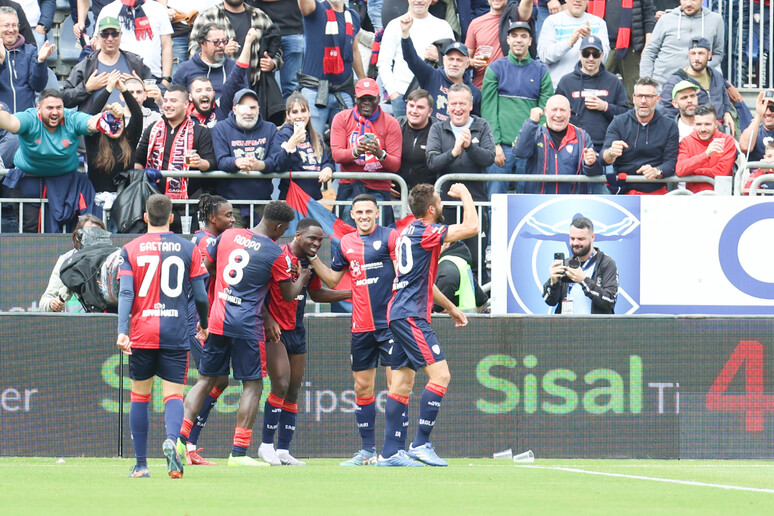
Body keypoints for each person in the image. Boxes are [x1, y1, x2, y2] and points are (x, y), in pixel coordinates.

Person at [177, 200, 306, 467]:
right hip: (247, 325)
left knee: (205, 380)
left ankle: (180, 440)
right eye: (284, 230)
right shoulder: (275, 253)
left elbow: (207, 267)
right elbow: (288, 295)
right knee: (253, 385)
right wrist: (302, 277)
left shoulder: (227, 236)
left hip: (218, 318)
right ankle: (238, 453)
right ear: (279, 227)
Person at [378, 182, 477, 467]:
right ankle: (420, 443)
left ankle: (390, 453)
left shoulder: (408, 232)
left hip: (399, 312)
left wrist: (451, 308)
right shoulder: (426, 231)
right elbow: (472, 227)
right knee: (441, 376)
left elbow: (423, 281)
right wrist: (466, 193)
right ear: (431, 209)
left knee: (402, 383)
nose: (443, 205)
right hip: (411, 315)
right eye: (440, 202)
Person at [116, 193, 210, 478]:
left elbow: (126, 293)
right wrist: (204, 323)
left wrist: (122, 331)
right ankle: (171, 440)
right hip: (175, 331)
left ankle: (141, 465)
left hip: (142, 332)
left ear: (145, 217)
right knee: (173, 396)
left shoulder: (129, 249)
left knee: (139, 396)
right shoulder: (189, 248)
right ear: (171, 217)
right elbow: (201, 295)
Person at [308, 194, 400, 466]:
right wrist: (313, 258)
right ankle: (367, 451)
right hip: (361, 327)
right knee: (362, 388)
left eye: (369, 211)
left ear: (377, 213)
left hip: (390, 325)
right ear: (352, 215)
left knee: (396, 388)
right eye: (359, 212)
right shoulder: (345, 243)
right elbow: (333, 279)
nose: (364, 216)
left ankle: (394, 451)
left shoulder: (390, 237)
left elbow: (402, 274)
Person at [258, 218, 351, 466]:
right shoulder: (277, 255)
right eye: (312, 238)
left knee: (293, 389)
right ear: (298, 235)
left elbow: (316, 294)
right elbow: (257, 291)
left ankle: (283, 450)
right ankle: (266, 445)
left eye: (320, 240)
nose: (317, 243)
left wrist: (352, 293)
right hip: (275, 329)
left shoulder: (310, 263)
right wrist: (267, 319)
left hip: (297, 329)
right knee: (280, 384)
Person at [175, 193, 234, 466]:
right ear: (212, 217)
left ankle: (189, 443)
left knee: (219, 380)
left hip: (207, 318)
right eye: (227, 215)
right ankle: (181, 442)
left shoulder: (203, 239)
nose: (232, 220)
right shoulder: (208, 242)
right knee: (207, 379)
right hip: (199, 320)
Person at [0, 89, 104, 233]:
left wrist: (107, 118)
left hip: (66, 181)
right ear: (39, 108)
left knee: (66, 228)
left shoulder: (72, 118)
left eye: (58, 107)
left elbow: (90, 123)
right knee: (30, 228)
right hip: (28, 178)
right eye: (49, 108)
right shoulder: (30, 118)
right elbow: (11, 122)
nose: (55, 112)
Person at [426, 83, 494, 276]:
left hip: (476, 205)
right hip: (446, 207)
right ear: (447, 106)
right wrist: (454, 152)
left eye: (462, 104)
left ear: (471, 105)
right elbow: (432, 162)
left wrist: (470, 147)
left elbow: (489, 158)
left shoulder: (482, 126)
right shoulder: (437, 128)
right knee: (444, 259)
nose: (458, 108)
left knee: (476, 259)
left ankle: (478, 296)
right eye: (453, 104)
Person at [482, 20, 552, 197]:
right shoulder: (495, 69)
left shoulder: (541, 71)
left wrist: (537, 144)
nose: (518, 40)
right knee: (495, 202)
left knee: (527, 201)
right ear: (508, 40)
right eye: (514, 36)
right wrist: (494, 144)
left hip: (530, 147)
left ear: (530, 40)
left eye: (523, 36)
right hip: (501, 147)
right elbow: (489, 110)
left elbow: (545, 112)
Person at [134, 84, 217, 221]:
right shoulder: (153, 129)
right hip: (154, 203)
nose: (167, 105)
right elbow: (138, 160)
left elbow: (212, 162)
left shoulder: (200, 131)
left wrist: (200, 162)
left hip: (187, 206)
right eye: (166, 100)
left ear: (186, 104)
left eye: (173, 101)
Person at [211, 88, 289, 227]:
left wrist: (260, 165)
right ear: (234, 110)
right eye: (244, 108)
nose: (249, 112)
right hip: (230, 206)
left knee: (263, 241)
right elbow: (221, 160)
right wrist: (237, 162)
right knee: (234, 241)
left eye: (253, 108)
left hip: (262, 204)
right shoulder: (221, 128)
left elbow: (275, 161)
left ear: (258, 109)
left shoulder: (270, 128)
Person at [330, 77, 403, 226]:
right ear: (355, 99)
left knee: (379, 236)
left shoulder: (391, 122)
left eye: (371, 99)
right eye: (362, 99)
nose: (367, 103)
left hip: (378, 188)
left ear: (379, 99)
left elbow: (395, 164)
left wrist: (379, 154)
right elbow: (337, 154)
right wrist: (356, 152)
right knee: (346, 235)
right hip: (349, 187)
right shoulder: (342, 118)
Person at [296, 0, 365, 136]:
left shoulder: (353, 16)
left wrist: (363, 80)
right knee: (313, 143)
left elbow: (354, 50)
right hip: (314, 91)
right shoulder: (316, 10)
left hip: (343, 91)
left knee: (346, 143)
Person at [601, 77, 679, 195]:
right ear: (633, 98)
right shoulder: (618, 122)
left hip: (655, 190)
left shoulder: (669, 125)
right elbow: (603, 159)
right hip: (623, 191)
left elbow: (671, 162)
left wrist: (657, 171)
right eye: (639, 96)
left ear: (658, 99)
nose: (643, 101)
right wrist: (611, 153)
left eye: (648, 97)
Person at [189, 0, 283, 97]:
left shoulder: (260, 16)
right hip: (218, 90)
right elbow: (194, 53)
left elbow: (277, 49)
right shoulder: (208, 17)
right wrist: (220, 51)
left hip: (255, 89)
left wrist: (272, 63)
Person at [377, 0, 454, 118]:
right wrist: (393, 93)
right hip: (402, 95)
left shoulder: (443, 26)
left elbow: (453, 62)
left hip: (433, 95)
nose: (419, 1)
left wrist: (438, 56)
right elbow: (383, 62)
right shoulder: (394, 25)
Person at [554, 35, 629, 154]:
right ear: (580, 54)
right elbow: (556, 113)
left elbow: (625, 114)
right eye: (586, 53)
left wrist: (605, 107)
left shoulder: (613, 81)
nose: (590, 58)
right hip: (572, 144)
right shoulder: (566, 82)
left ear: (602, 55)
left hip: (604, 146)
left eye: (595, 54)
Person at [513, 95, 602, 194]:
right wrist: (531, 122)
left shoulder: (582, 136)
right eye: (554, 110)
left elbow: (595, 173)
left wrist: (591, 164)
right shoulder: (535, 133)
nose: (558, 115)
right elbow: (520, 153)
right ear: (546, 112)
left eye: (563, 110)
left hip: (573, 201)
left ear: (569, 113)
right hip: (539, 200)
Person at [62, 16, 151, 113]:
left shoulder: (135, 63)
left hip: (131, 120)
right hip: (95, 120)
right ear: (98, 37)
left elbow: (153, 101)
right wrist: (86, 88)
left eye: (114, 34)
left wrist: (142, 87)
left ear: (120, 35)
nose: (110, 38)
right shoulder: (86, 66)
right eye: (105, 34)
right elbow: (65, 100)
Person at [400, 15, 481, 121]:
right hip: (430, 130)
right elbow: (411, 59)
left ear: (467, 64)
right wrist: (405, 33)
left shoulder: (474, 92)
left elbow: (475, 122)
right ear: (443, 60)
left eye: (459, 60)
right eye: (450, 59)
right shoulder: (431, 75)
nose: (454, 64)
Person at [83, 75, 143, 201]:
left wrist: (124, 90)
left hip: (124, 202)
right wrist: (108, 89)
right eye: (110, 121)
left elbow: (137, 115)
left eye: (119, 121)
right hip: (97, 201)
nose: (115, 125)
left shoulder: (129, 138)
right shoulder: (94, 139)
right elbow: (90, 117)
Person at [658, 37, 735, 135]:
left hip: (719, 129)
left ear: (709, 55)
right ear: (688, 55)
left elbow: (724, 94)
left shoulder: (716, 75)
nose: (696, 58)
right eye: (693, 53)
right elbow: (667, 113)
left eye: (701, 53)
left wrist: (727, 113)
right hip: (694, 132)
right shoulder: (675, 81)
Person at [639, 0, 724, 87]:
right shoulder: (665, 19)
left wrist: (701, 65)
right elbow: (649, 53)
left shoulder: (715, 20)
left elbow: (718, 53)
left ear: (702, 1)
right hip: (663, 84)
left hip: (699, 86)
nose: (688, 3)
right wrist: (646, 83)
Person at [543, 216, 618, 314]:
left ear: (592, 237)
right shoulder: (566, 264)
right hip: (567, 323)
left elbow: (610, 301)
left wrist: (583, 280)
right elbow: (550, 301)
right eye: (572, 238)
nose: (575, 243)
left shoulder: (606, 263)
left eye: (580, 239)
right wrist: (553, 283)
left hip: (595, 324)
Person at [591, 0, 656, 106]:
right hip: (601, 48)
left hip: (632, 49)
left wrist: (647, 45)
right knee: (596, 92)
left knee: (635, 96)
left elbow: (648, 14)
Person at [39, 215, 106, 313]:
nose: (94, 238)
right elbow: (44, 302)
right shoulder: (66, 261)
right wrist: (53, 303)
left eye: (99, 235)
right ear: (77, 237)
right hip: (72, 321)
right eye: (89, 234)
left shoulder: (111, 259)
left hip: (103, 320)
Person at [96, 0, 174, 84]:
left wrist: (166, 80)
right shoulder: (108, 10)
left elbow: (167, 46)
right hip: (119, 76)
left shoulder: (158, 9)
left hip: (152, 76)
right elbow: (99, 44)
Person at [537, 0, 609, 88]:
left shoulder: (599, 23)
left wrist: (590, 41)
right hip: (558, 88)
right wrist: (569, 42)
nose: (577, 0)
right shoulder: (552, 21)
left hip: (589, 89)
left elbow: (603, 58)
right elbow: (545, 56)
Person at [276, 92, 334, 200]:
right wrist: (290, 145)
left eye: (303, 111)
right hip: (291, 199)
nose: (300, 116)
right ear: (288, 115)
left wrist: (328, 168)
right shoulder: (282, 135)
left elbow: (326, 161)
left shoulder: (316, 137)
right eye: (295, 112)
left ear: (309, 112)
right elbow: (279, 166)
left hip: (313, 199)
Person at [466, 0, 531, 89]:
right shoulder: (476, 23)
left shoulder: (516, 17)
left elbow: (527, 3)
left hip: (511, 87)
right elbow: (465, 58)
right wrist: (473, 62)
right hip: (483, 86)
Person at [248, 0, 305, 100]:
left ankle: (289, 111)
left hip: (292, 29)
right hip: (261, 29)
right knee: (261, 84)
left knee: (293, 88)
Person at [0, 6, 53, 113]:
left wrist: (40, 62)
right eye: (6, 25)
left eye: (14, 25)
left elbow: (38, 86)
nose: (11, 30)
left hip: (25, 118)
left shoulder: (30, 51)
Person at [675, 104, 736, 193]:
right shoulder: (686, 142)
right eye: (699, 124)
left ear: (716, 124)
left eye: (707, 124)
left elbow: (722, 173)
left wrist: (694, 171)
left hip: (720, 197)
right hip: (693, 197)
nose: (703, 129)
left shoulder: (727, 140)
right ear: (694, 124)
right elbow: (680, 170)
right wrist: (706, 155)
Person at [172, 23, 242, 98]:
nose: (221, 45)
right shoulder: (185, 69)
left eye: (224, 41)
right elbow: (175, 98)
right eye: (216, 42)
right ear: (202, 43)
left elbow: (245, 97)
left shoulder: (235, 68)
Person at [433, 240, 488, 313]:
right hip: (467, 318)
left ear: (447, 244)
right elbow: (481, 300)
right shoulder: (460, 262)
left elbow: (437, 308)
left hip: (451, 320)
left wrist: (451, 311)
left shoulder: (447, 268)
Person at [397, 89, 435, 191]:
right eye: (411, 106)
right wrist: (385, 182)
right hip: (397, 193)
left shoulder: (438, 130)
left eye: (420, 107)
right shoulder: (396, 125)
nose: (414, 111)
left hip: (426, 195)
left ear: (429, 112)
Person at [739, 91, 774, 162]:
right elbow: (744, 147)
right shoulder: (754, 130)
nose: (768, 112)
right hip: (756, 169)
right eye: (764, 107)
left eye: (772, 108)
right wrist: (758, 115)